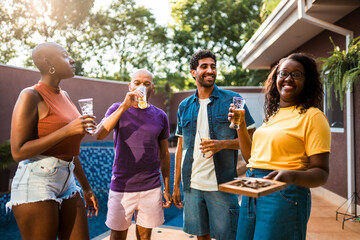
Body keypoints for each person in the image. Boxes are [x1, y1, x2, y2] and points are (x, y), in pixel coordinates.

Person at [229, 53, 331, 240]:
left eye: (297, 74)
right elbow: (251, 159)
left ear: (307, 81)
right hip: (252, 189)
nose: (288, 79)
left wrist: (291, 175)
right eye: (283, 73)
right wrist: (241, 125)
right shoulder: (273, 117)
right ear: (275, 78)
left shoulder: (313, 117)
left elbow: (321, 173)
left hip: (283, 193)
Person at [6, 42, 99, 240]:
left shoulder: (64, 95)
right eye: (65, 55)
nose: (72, 59)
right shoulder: (30, 95)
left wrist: (87, 187)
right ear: (49, 63)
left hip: (67, 180)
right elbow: (18, 151)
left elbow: (71, 149)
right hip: (36, 179)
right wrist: (67, 130)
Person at [172, 50, 256, 240]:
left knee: (228, 237)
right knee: (201, 237)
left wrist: (222, 144)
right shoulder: (184, 106)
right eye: (204, 66)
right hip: (192, 186)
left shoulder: (233, 101)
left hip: (222, 186)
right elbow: (181, 147)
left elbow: (252, 142)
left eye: (213, 66)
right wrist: (176, 184)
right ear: (194, 72)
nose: (210, 70)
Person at [95, 69, 172, 240]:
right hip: (122, 186)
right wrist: (124, 106)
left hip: (151, 186)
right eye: (137, 83)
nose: (141, 87)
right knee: (117, 237)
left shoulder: (160, 115)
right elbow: (99, 135)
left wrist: (166, 186)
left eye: (146, 83)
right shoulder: (117, 109)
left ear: (152, 87)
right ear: (130, 86)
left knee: (144, 238)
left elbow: (165, 154)